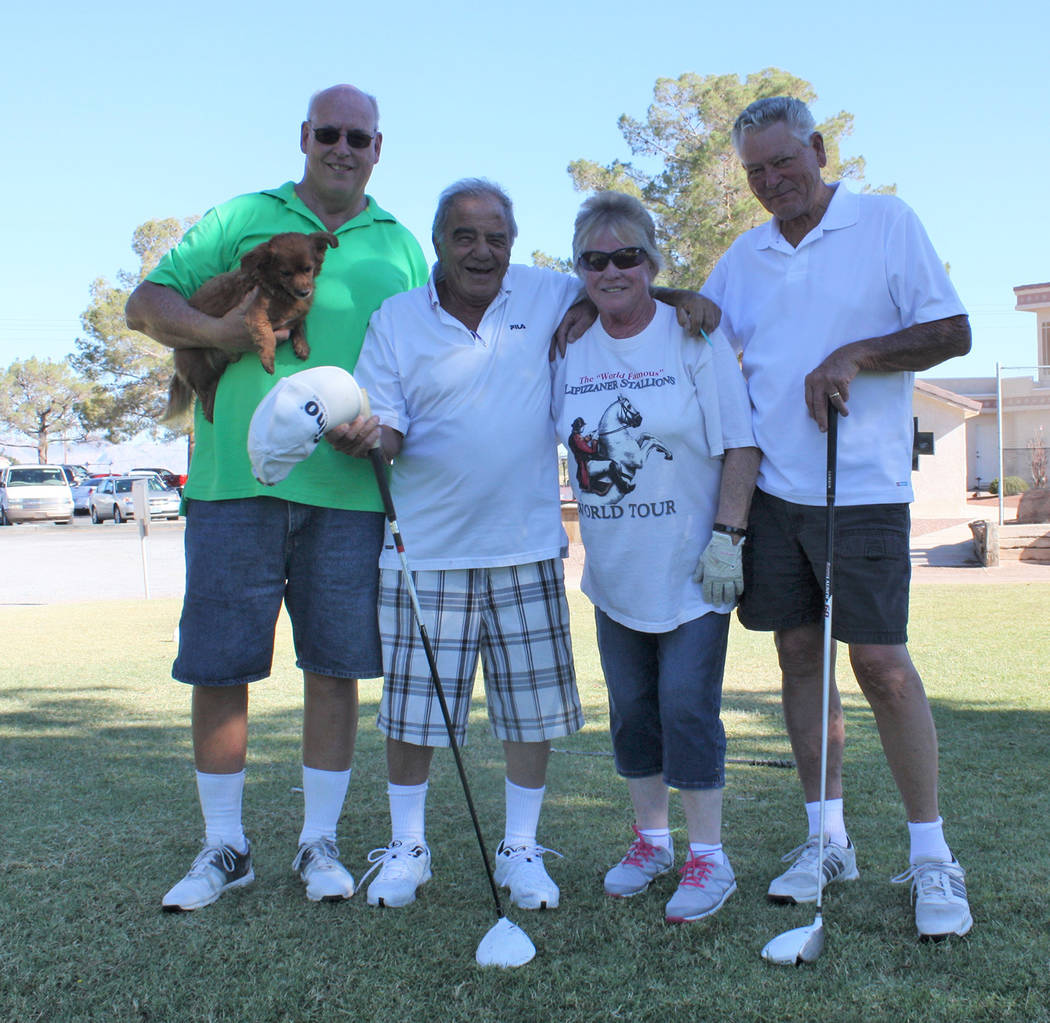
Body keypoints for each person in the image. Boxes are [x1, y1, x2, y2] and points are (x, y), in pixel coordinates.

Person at [331, 179, 720, 912]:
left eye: (497, 237)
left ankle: (520, 846)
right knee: (415, 714)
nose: (482, 251)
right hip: (426, 551)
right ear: (438, 242)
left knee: (530, 713)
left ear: (513, 243)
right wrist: (363, 438)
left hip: (528, 545)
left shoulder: (545, 292)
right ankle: (408, 846)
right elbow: (389, 430)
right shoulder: (396, 319)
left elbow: (621, 283)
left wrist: (683, 296)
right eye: (465, 236)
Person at [124, 84, 427, 911]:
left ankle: (318, 842)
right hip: (233, 487)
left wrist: (385, 425)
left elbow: (421, 359)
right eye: (329, 132)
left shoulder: (400, 244)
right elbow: (144, 305)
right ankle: (225, 846)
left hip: (349, 494)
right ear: (304, 136)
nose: (343, 147)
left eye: (359, 137)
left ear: (377, 148)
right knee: (221, 667)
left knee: (334, 668)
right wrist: (220, 333)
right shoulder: (240, 217)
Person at [702, 96, 973, 938]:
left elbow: (954, 331)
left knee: (881, 664)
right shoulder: (745, 256)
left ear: (819, 149)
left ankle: (931, 853)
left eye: (784, 161)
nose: (771, 181)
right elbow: (700, 327)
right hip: (776, 493)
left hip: (863, 489)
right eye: (755, 171)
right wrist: (617, 301)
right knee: (798, 657)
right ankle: (828, 839)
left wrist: (856, 352)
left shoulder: (886, 223)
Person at [551, 192, 759, 923]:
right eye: (594, 259)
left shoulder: (692, 335)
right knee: (633, 711)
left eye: (627, 256)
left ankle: (710, 857)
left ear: (652, 262)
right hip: (614, 572)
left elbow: (740, 443)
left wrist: (729, 538)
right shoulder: (570, 343)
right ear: (579, 269)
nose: (611, 271)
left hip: (693, 569)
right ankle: (651, 842)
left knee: (686, 706)